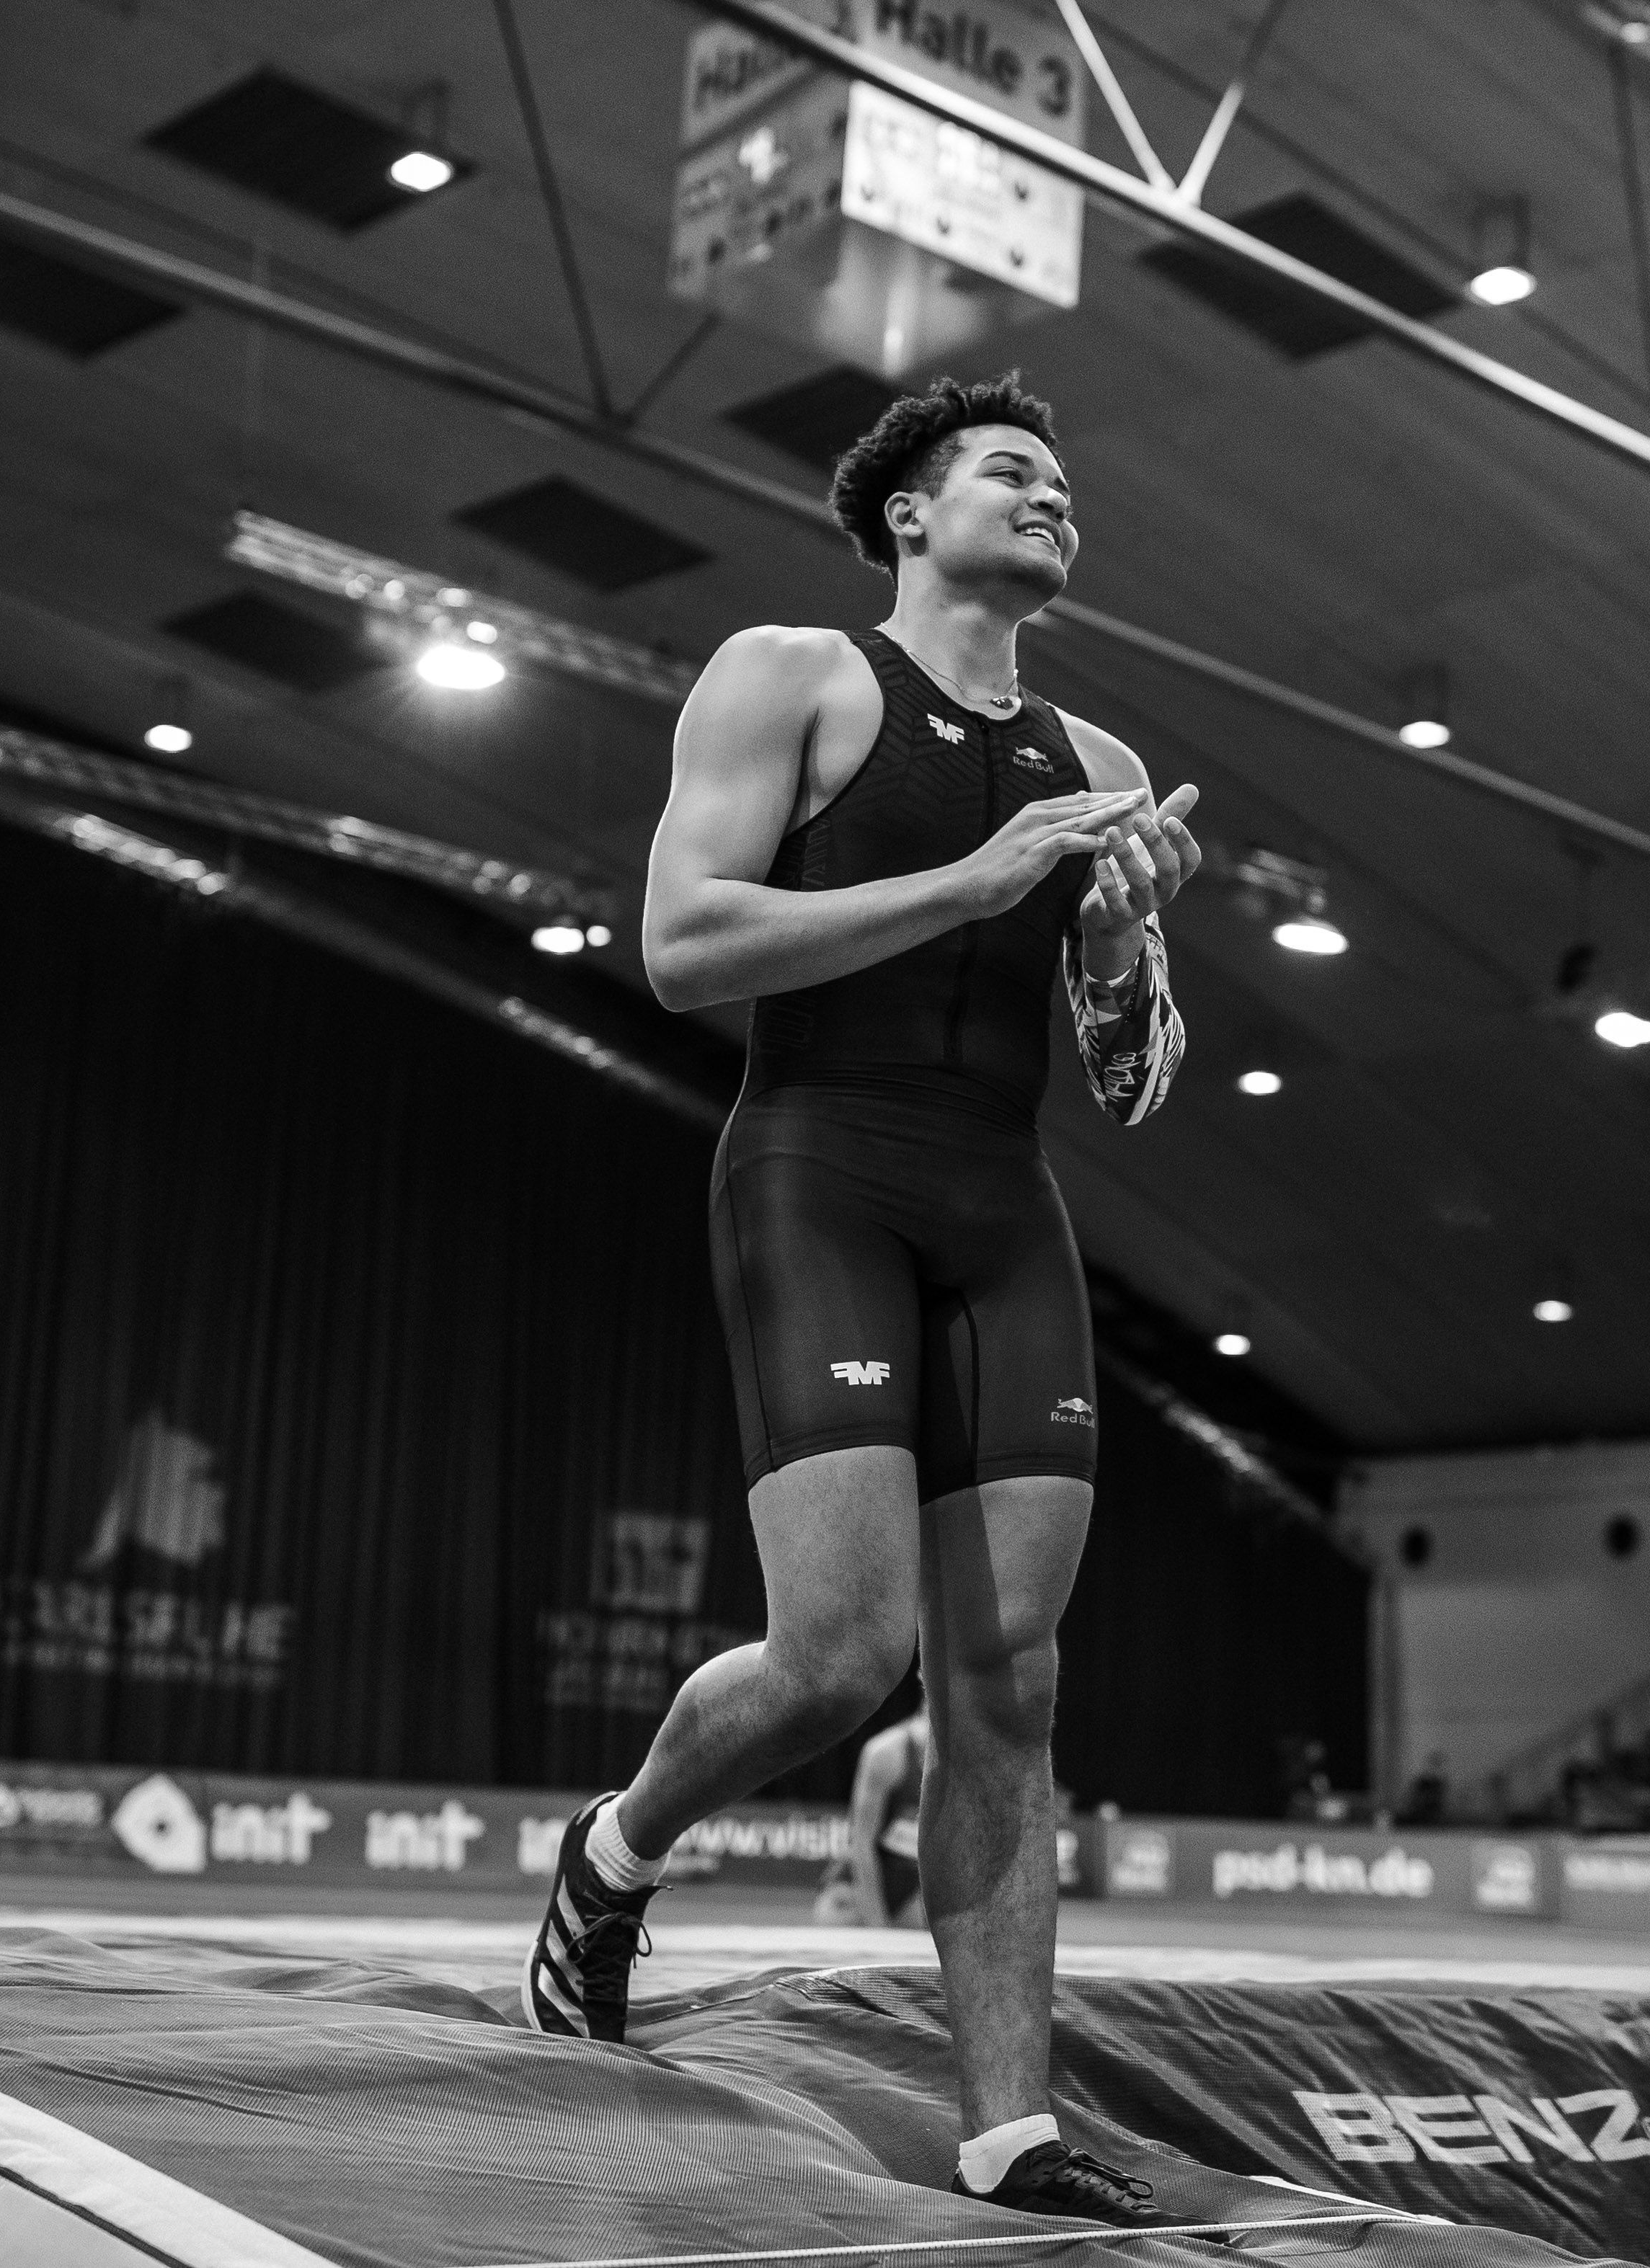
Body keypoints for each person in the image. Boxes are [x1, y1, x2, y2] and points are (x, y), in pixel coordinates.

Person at [522, 373, 1197, 2229]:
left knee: (1012, 1680)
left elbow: (1133, 1079)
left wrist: (1129, 938)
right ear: (909, 513)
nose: (1053, 495)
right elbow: (681, 947)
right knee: (842, 1651)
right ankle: (618, 1845)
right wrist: (978, 876)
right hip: (820, 1164)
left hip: (1006, 1201)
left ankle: (1008, 2131)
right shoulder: (789, 672)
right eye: (1010, 471)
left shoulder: (1105, 765)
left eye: (1068, 482)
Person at [840, 1704, 933, 1928]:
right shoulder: (888, 1753)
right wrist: (878, 1928)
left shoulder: (966, 1761)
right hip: (858, 1887)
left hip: (913, 1889)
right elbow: (860, 1843)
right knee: (839, 1913)